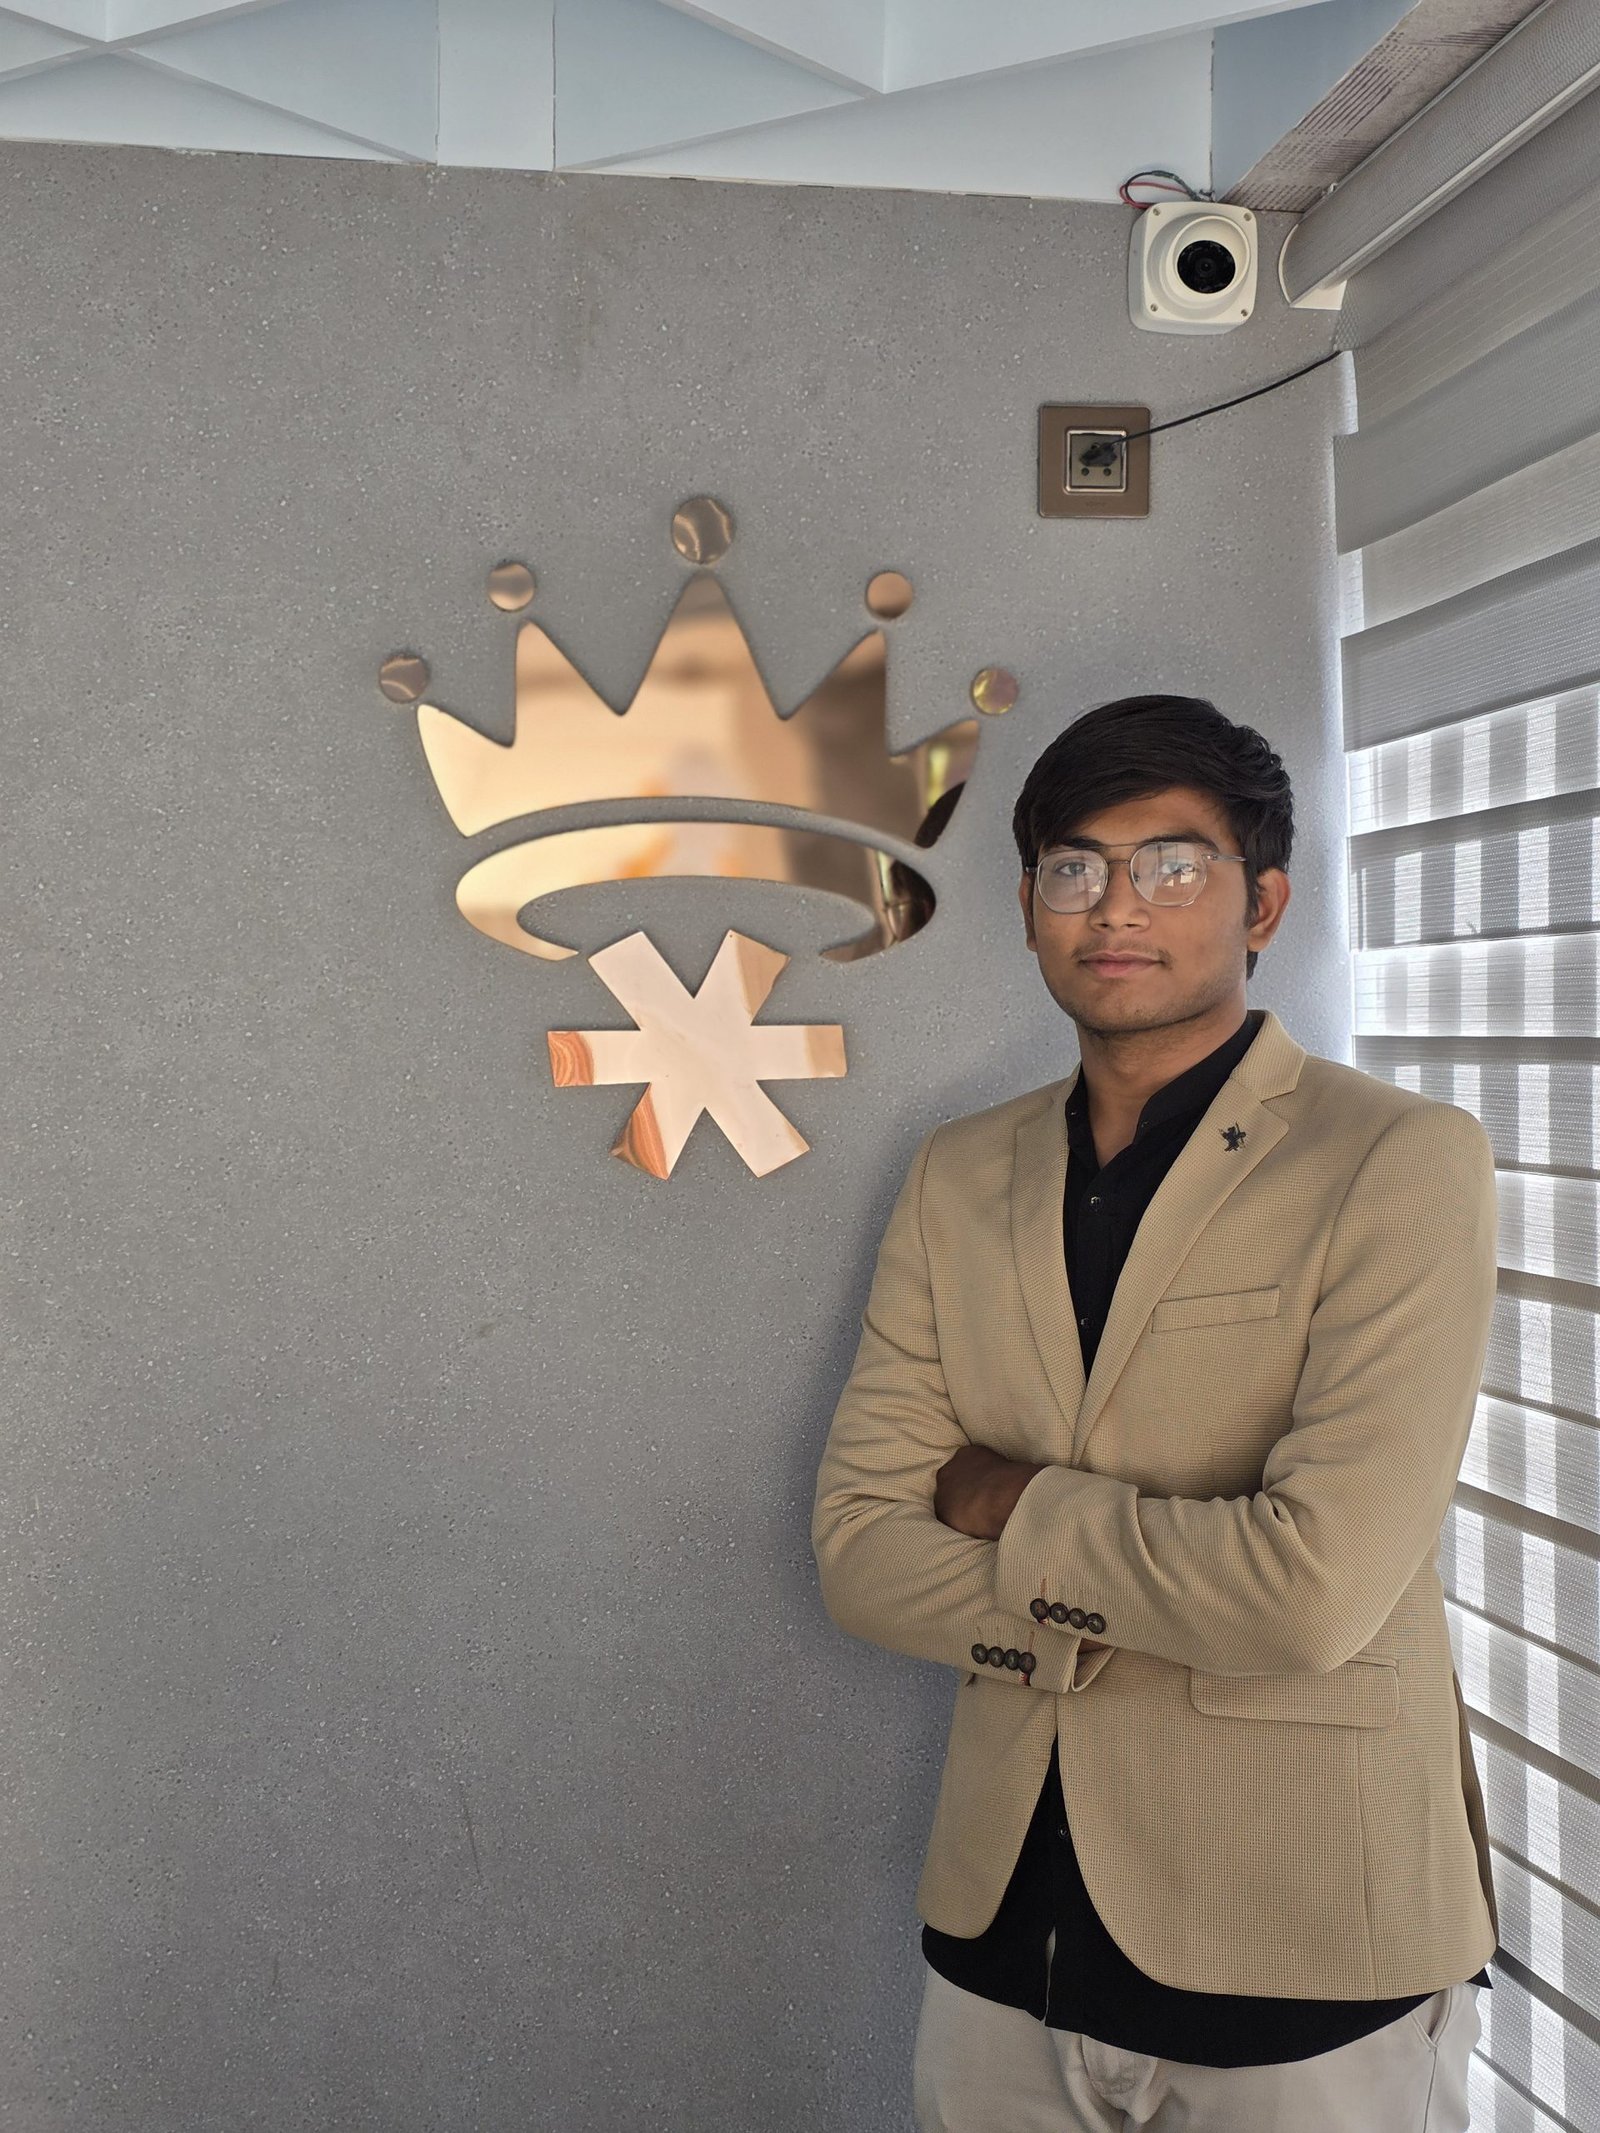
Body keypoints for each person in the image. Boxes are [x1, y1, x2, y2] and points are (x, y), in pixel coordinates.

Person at [811, 695, 1499, 2133]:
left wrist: (1010, 1501)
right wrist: (1135, 1606)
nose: (1116, 906)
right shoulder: (956, 1172)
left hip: (1306, 1953)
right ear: (1028, 905)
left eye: (1172, 865)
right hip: (1006, 1949)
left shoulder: (1397, 1160)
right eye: (1075, 867)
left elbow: (1310, 1590)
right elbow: (862, 1547)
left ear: (1265, 903)